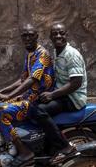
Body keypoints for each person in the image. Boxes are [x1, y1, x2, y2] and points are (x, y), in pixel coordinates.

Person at [0, 23, 54, 166]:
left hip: (35, 100)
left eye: (31, 35)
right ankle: (8, 146)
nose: (27, 38)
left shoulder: (42, 54)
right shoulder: (30, 54)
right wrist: (1, 92)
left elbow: (32, 79)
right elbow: (22, 79)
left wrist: (7, 96)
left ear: (37, 36)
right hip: (29, 97)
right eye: (24, 36)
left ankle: (24, 152)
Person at [30, 22, 86, 164]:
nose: (58, 36)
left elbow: (76, 83)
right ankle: (43, 150)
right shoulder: (57, 52)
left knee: (39, 110)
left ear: (67, 35)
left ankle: (65, 146)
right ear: (50, 37)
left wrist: (52, 95)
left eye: (61, 33)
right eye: (55, 34)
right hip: (63, 94)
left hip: (73, 98)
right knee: (30, 104)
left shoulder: (71, 54)